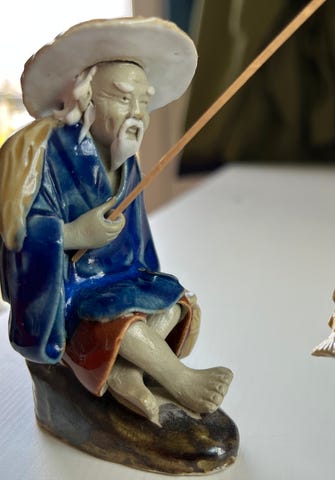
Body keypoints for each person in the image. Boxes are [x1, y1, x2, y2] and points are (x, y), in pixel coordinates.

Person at [0, 18, 232, 423]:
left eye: (143, 101)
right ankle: (180, 380)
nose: (137, 113)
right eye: (123, 98)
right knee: (121, 318)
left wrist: (147, 279)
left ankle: (124, 373)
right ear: (84, 97)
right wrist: (74, 233)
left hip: (117, 279)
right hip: (71, 290)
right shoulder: (44, 153)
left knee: (175, 304)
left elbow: (139, 243)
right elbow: (18, 233)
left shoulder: (126, 160)